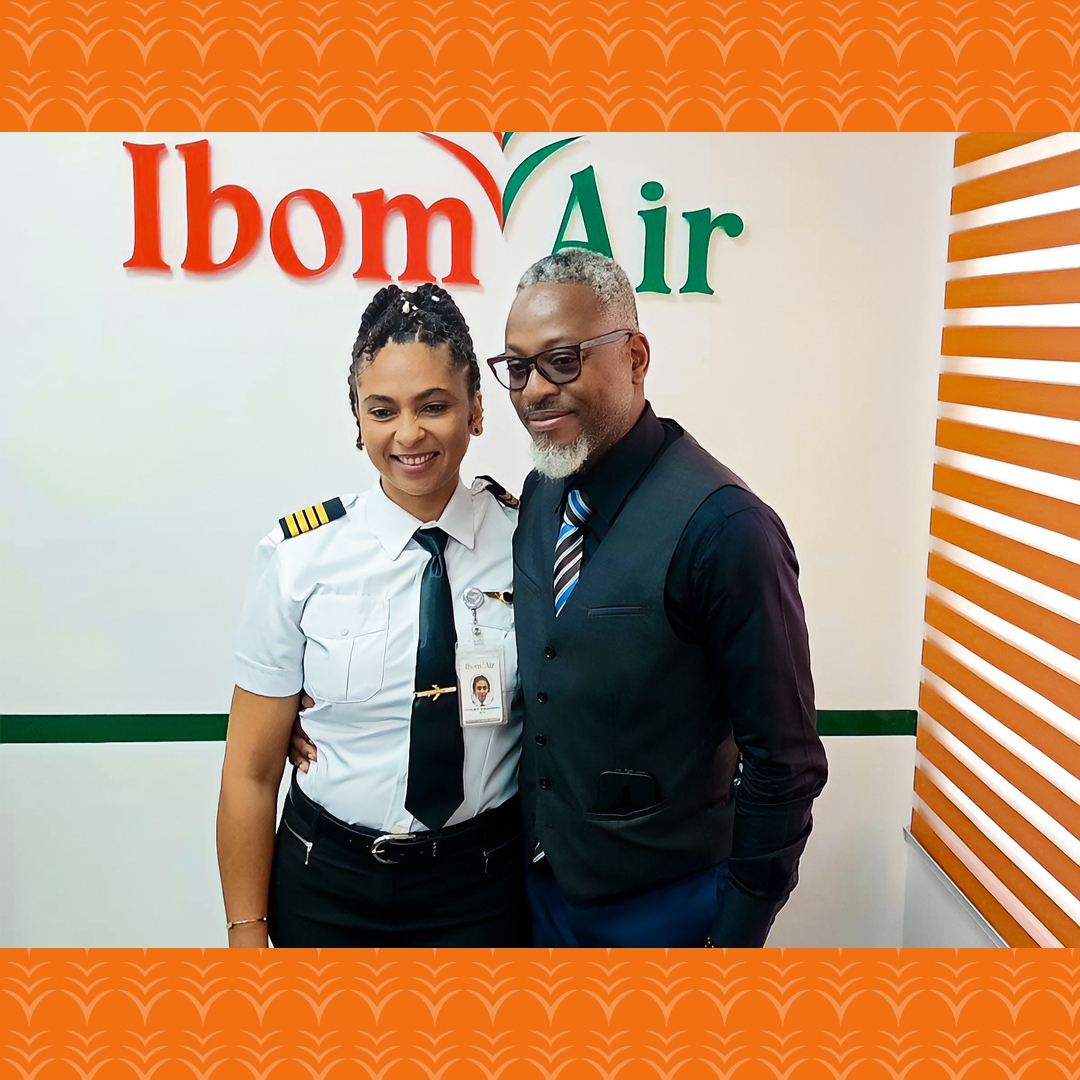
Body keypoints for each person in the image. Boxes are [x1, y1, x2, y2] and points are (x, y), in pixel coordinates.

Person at [484, 249, 829, 947]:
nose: (534, 390)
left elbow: (785, 763)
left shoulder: (728, 529)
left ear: (636, 358)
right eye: (517, 368)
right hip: (542, 893)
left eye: (562, 361)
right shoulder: (543, 493)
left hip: (671, 908)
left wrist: (734, 935)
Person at [216, 282, 529, 948]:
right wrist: (246, 932)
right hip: (328, 886)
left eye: (434, 406)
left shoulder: (529, 546)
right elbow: (250, 770)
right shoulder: (299, 557)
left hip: (482, 888)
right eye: (382, 411)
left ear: (476, 408)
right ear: (358, 421)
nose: (408, 433)